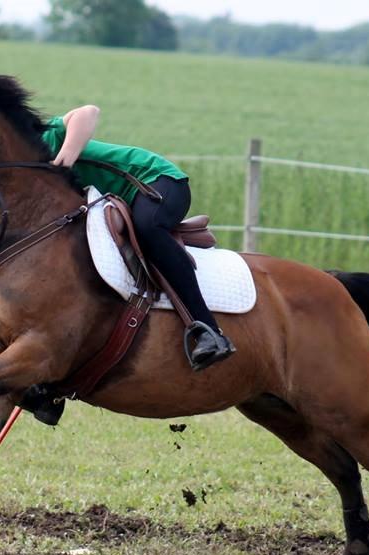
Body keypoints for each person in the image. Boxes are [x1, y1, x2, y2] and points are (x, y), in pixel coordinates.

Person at [43, 106, 234, 370]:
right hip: (128, 198)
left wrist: (63, 161)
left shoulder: (45, 136)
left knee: (148, 228)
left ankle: (209, 332)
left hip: (159, 181)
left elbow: (89, 112)